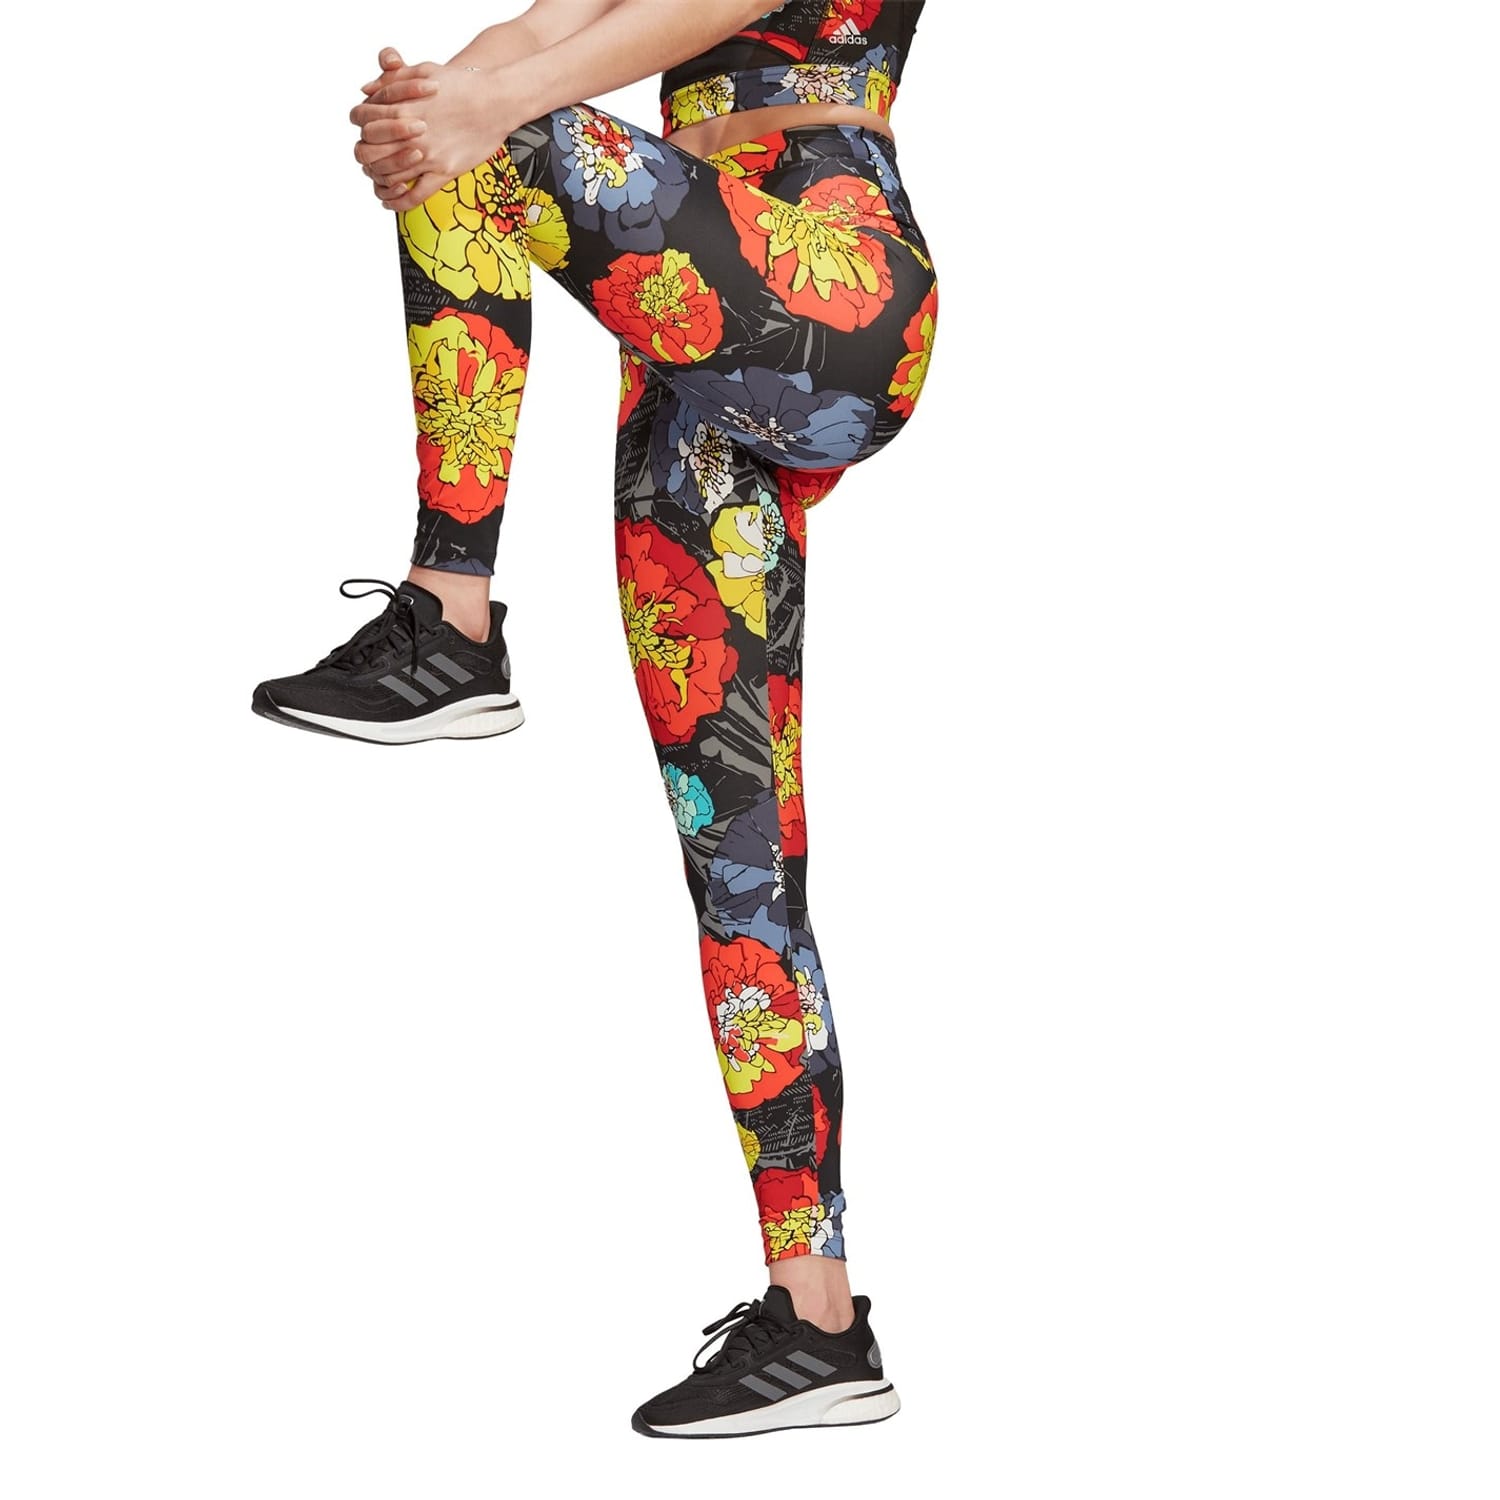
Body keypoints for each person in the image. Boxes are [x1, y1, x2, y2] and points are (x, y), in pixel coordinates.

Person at [251, 0, 935, 1438]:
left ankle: (451, 614)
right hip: (690, 362)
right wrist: (431, 104)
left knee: (498, 138)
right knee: (738, 863)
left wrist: (482, 110)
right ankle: (818, 1319)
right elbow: (548, 25)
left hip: (834, 289)